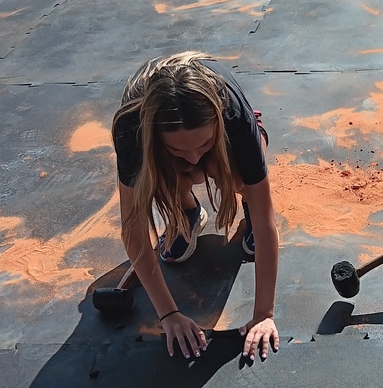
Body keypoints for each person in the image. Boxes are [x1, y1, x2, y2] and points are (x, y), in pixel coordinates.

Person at [112, 52, 280, 363]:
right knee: (161, 176)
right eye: (178, 149)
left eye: (202, 145)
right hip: (162, 141)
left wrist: (263, 314)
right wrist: (169, 314)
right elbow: (133, 228)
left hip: (230, 133)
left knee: (242, 177)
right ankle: (186, 213)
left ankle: (243, 213)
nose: (192, 159)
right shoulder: (131, 129)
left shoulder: (232, 116)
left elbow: (267, 214)